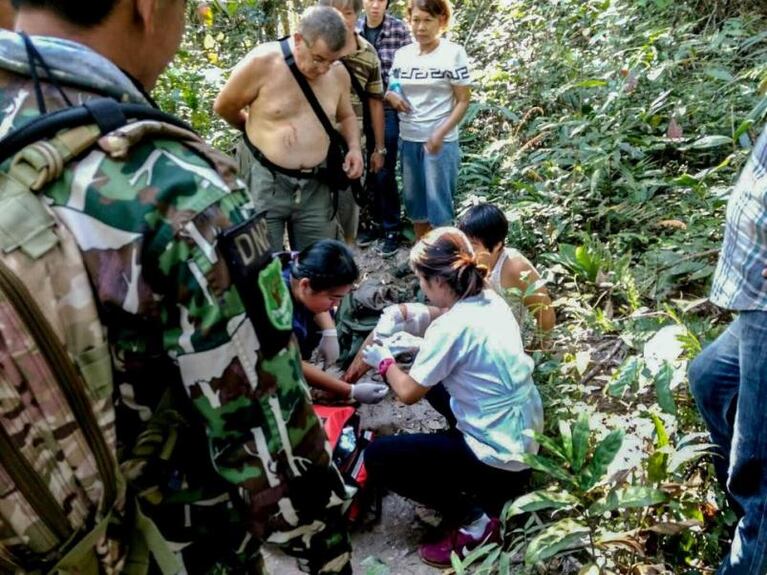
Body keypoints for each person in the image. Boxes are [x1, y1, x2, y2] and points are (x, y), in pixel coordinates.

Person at [2, 1, 352, 573]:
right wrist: (325, 552)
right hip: (166, 541)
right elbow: (268, 437)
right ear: (147, 8)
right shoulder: (172, 189)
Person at [361, 227, 542, 567]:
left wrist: (383, 363)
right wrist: (415, 334)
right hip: (525, 438)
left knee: (379, 456)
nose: (422, 290)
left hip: (498, 458)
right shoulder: (490, 298)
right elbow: (457, 340)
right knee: (435, 383)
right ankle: (473, 470)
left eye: (422, 281)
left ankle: (475, 521)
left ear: (439, 282)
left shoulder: (451, 327)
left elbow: (408, 392)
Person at [214, 6, 364, 252]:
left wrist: (355, 148)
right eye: (318, 58)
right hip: (265, 179)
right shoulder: (262, 63)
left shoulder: (338, 74)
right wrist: (256, 135)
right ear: (298, 40)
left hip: (316, 184)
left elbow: (346, 115)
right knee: (263, 261)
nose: (324, 68)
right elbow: (224, 106)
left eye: (332, 61)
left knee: (320, 263)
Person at [688, 126, 767, 575]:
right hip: (756, 295)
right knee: (710, 377)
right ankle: (747, 515)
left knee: (759, 464)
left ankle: (752, 549)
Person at [386, 0, 471, 241]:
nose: (420, 27)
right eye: (415, 20)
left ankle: (444, 266)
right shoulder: (403, 54)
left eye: (427, 20)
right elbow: (394, 85)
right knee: (415, 206)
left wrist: (440, 133)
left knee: (440, 207)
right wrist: (391, 95)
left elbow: (463, 100)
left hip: (439, 144)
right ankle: (422, 261)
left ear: (442, 20)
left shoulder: (453, 53)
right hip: (409, 138)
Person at [284, 239, 389, 404]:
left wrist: (329, 330)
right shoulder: (276, 314)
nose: (336, 305)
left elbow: (312, 294)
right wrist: (350, 390)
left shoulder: (298, 265)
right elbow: (292, 364)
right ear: (305, 285)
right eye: (333, 298)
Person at [318, 0, 386, 247]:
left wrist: (379, 148)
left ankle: (345, 266)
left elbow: (376, 102)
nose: (340, 19)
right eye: (333, 12)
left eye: (347, 13)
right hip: (314, 146)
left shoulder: (367, 53)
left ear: (356, 16)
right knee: (316, 218)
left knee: (348, 215)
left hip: (352, 147)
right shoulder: (311, 49)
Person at [356, 0, 413, 256]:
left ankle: (392, 226)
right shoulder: (353, 28)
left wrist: (394, 92)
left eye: (380, 0)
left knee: (383, 166)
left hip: (388, 106)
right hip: (358, 108)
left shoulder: (399, 30)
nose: (375, 5)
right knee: (363, 166)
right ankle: (372, 222)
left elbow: (407, 69)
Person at [457, 203, 555, 343]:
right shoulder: (466, 259)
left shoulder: (515, 267)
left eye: (473, 246)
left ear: (497, 245)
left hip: (514, 343)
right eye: (464, 244)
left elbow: (545, 313)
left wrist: (537, 352)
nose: (466, 251)